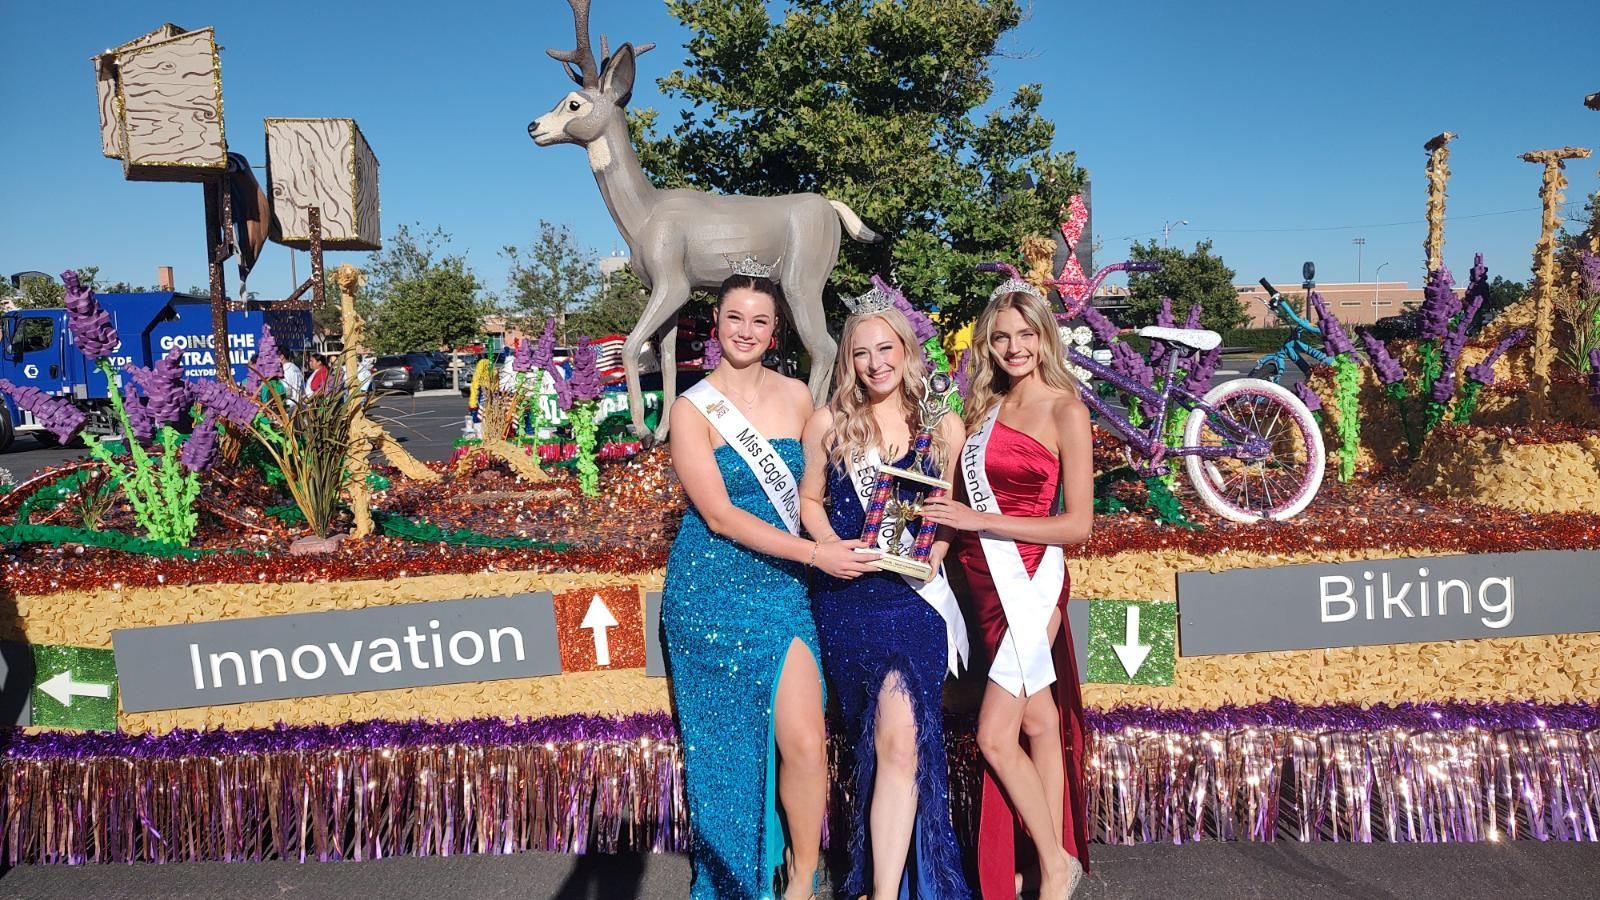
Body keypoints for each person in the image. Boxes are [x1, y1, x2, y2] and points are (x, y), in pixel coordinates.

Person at [661, 262, 878, 900]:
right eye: (735, 318)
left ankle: (803, 879)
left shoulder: (797, 398)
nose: (746, 330)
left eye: (760, 320)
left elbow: (818, 493)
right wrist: (817, 557)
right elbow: (722, 517)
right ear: (717, 324)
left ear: (776, 328)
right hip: (711, 593)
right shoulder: (690, 408)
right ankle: (734, 878)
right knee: (724, 753)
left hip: (782, 589)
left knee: (807, 743)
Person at [920, 275, 1095, 900]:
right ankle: (1052, 851)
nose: (1014, 347)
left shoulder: (1066, 411)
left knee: (996, 733)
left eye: (1025, 335)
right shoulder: (984, 410)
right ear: (987, 346)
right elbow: (957, 495)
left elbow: (1078, 525)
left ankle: (1054, 865)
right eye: (1000, 338)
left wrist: (981, 519)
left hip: (1032, 585)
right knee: (1040, 724)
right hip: (981, 585)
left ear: (1044, 337)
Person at [798, 281, 971, 900]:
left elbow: (947, 513)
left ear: (905, 349)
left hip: (912, 603)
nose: (875, 363)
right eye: (860, 353)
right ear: (848, 361)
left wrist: (934, 557)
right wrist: (828, 548)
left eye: (885, 348)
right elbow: (810, 500)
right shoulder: (828, 423)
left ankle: (884, 890)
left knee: (901, 742)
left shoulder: (941, 424)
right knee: (874, 741)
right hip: (847, 601)